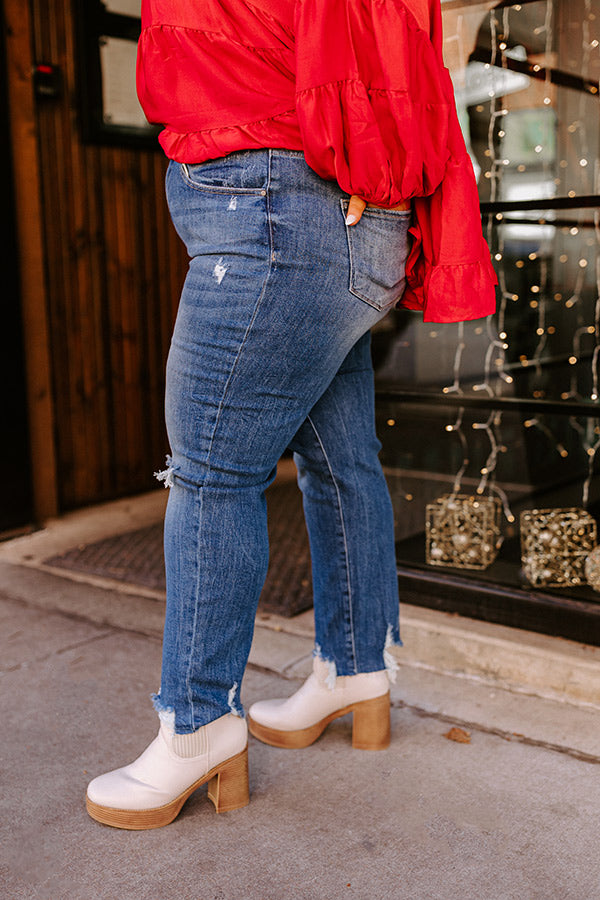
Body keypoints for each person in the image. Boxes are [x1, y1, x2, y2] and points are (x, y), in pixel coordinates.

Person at [86, 0, 496, 829]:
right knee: (339, 460)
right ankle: (355, 670)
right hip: (309, 209)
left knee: (212, 475)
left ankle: (198, 726)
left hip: (282, 208)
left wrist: (362, 157)